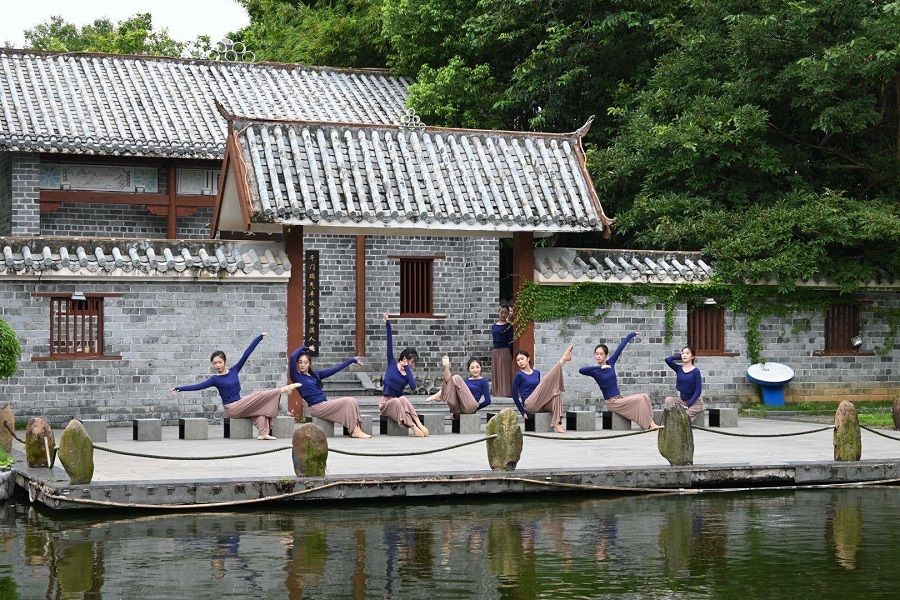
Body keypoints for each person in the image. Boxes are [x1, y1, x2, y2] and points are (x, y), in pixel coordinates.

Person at [171, 333, 299, 440]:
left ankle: (263, 433)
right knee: (257, 395)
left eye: (220, 362)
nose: (218, 365)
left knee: (261, 411)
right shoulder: (215, 379)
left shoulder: (234, 370)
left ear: (225, 361)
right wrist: (179, 388)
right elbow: (198, 386)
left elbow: (246, 354)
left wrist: (259, 338)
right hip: (232, 408)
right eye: (215, 363)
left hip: (241, 404)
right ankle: (282, 390)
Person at [578, 331, 661, 430]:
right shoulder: (595, 371)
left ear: (606, 355)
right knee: (640, 399)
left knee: (645, 396)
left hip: (619, 398)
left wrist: (631, 335)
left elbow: (620, 348)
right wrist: (600, 367)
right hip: (612, 402)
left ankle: (651, 422)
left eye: (601, 354)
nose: (598, 356)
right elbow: (581, 370)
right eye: (597, 354)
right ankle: (650, 425)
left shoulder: (611, 363)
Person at [289, 345, 371, 439]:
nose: (302, 365)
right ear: (297, 363)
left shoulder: (315, 375)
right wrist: (306, 348)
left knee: (352, 401)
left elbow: (335, 369)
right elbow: (292, 357)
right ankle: (355, 431)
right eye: (300, 362)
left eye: (305, 362)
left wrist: (351, 360)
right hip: (316, 407)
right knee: (348, 401)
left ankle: (356, 429)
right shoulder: (296, 377)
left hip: (325, 404)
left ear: (309, 364)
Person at [381, 315, 429, 437]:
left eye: (414, 362)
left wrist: (407, 368)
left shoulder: (407, 373)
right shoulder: (392, 363)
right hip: (386, 403)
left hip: (399, 402)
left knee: (402, 399)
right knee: (397, 400)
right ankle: (413, 426)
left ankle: (418, 423)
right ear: (404, 358)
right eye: (411, 361)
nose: (413, 364)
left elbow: (413, 387)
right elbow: (389, 342)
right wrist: (387, 323)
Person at [511, 345, 574, 433]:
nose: (520, 361)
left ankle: (556, 423)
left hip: (540, 403)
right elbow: (514, 395)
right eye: (518, 360)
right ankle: (563, 359)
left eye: (522, 359)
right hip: (530, 404)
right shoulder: (519, 375)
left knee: (557, 393)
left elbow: (540, 390)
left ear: (528, 359)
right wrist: (522, 412)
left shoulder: (537, 373)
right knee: (545, 380)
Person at [427, 356, 492, 417]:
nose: (475, 370)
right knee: (452, 388)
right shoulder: (466, 382)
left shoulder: (483, 381)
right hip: (461, 408)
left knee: (456, 377)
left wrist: (476, 408)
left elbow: (487, 401)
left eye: (477, 367)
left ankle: (440, 395)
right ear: (469, 369)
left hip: (471, 407)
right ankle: (446, 368)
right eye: (472, 368)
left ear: (480, 368)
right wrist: (451, 411)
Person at [664, 345, 704, 419]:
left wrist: (688, 405)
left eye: (687, 353)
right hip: (683, 401)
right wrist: (681, 356)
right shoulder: (679, 369)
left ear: (693, 356)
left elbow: (698, 391)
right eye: (683, 353)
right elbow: (667, 360)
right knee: (668, 400)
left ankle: (688, 416)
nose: (684, 355)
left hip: (695, 403)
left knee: (681, 418)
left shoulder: (696, 371)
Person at [491, 304, 515, 397]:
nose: (503, 315)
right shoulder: (494, 326)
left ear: (508, 314)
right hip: (495, 351)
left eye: (506, 313)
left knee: (504, 372)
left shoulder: (509, 326)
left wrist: (510, 353)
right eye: (501, 312)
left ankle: (505, 393)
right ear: (498, 312)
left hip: (505, 350)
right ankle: (497, 392)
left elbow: (511, 341)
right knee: (496, 371)